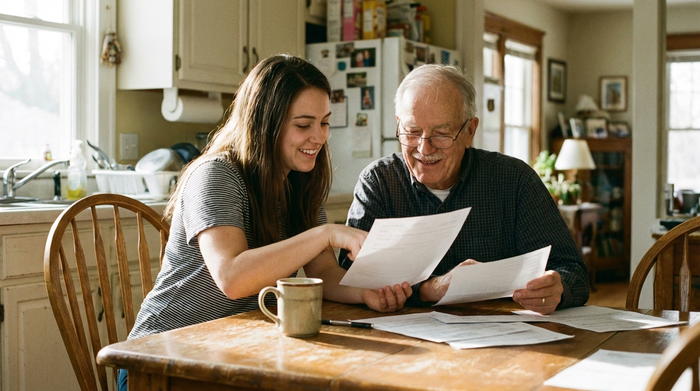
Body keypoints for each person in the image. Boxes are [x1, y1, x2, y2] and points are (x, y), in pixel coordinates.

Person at [118, 54, 412, 390]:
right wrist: (325, 233)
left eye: (325, 123)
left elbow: (325, 274)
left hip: (238, 352)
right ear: (265, 123)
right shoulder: (215, 175)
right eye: (304, 125)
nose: (319, 137)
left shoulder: (300, 183)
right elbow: (233, 277)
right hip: (161, 360)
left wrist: (367, 293)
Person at [339, 64, 589, 315]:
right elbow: (348, 276)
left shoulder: (514, 181)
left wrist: (557, 288)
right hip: (399, 340)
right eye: (413, 132)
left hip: (501, 336)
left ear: (470, 131)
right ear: (398, 124)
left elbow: (573, 271)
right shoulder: (379, 182)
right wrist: (429, 288)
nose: (424, 149)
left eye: (442, 134)